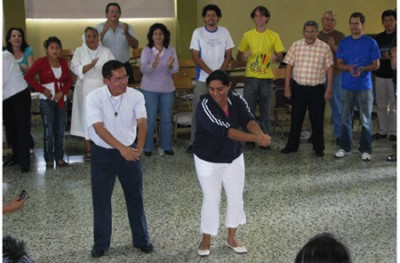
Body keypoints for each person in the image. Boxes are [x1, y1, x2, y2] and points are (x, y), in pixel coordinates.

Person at [194, 70, 271, 257]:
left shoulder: (237, 99)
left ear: (229, 86)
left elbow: (248, 119)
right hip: (208, 159)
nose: (215, 93)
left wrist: (259, 133)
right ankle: (206, 239)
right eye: (211, 89)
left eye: (220, 89)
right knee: (211, 199)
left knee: (236, 197)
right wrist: (255, 139)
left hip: (234, 157)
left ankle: (231, 237)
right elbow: (225, 131)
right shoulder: (204, 104)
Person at [86, 60, 153, 258]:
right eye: (118, 79)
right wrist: (122, 148)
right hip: (103, 154)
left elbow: (142, 123)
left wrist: (138, 149)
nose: (124, 82)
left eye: (125, 77)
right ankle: (101, 243)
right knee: (101, 200)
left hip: (130, 152)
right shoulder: (94, 97)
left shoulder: (136, 96)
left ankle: (142, 239)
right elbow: (98, 128)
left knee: (135, 197)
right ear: (106, 80)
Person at [280, 20, 334, 157]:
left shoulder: (324, 47)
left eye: (312, 31)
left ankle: (318, 148)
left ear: (317, 32)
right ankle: (292, 145)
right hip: (299, 88)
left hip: (317, 89)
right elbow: (289, 67)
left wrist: (329, 89)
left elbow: (330, 69)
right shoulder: (296, 45)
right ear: (303, 32)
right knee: (296, 118)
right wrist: (287, 86)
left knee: (317, 119)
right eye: (307, 31)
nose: (309, 34)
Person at [187, 4, 235, 153]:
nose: (210, 18)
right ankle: (194, 142)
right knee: (198, 111)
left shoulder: (224, 32)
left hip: (221, 80)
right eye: (208, 15)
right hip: (203, 79)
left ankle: (223, 140)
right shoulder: (198, 32)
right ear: (204, 18)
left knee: (223, 111)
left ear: (218, 17)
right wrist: (211, 73)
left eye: (213, 15)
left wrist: (220, 73)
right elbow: (195, 57)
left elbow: (229, 55)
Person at [335, 12, 381, 161]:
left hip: (364, 86)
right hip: (347, 86)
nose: (354, 26)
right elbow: (338, 64)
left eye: (357, 23)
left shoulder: (370, 42)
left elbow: (376, 64)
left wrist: (363, 69)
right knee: (345, 118)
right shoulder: (344, 42)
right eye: (351, 23)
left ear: (363, 25)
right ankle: (345, 147)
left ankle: (366, 149)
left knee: (365, 119)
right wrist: (348, 68)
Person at [237, 5, 284, 144]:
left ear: (267, 18)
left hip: (267, 79)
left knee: (265, 112)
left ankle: (265, 140)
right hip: (251, 78)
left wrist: (276, 56)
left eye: (262, 15)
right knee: (249, 111)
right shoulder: (247, 35)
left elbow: (281, 56)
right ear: (253, 18)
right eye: (256, 15)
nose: (259, 18)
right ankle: (250, 140)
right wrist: (243, 55)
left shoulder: (274, 35)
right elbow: (238, 56)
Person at [24, 36, 73, 168]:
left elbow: (69, 80)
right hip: (46, 100)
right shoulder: (41, 62)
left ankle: (60, 157)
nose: (55, 50)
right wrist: (42, 89)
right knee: (49, 130)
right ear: (47, 49)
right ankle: (49, 159)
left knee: (60, 130)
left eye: (57, 48)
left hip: (61, 99)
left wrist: (62, 91)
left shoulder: (63, 62)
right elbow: (28, 76)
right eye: (52, 48)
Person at [70, 27, 115, 161]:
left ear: (98, 37)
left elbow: (114, 66)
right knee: (87, 117)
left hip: (102, 87)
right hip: (85, 88)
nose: (92, 39)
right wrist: (90, 65)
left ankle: (104, 145)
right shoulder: (79, 51)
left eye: (94, 36)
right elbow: (75, 68)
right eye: (89, 36)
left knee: (104, 117)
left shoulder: (105, 51)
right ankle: (88, 147)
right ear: (85, 38)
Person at [139, 23, 179, 156]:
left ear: (165, 36)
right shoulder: (147, 51)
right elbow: (143, 69)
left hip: (167, 89)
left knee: (166, 119)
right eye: (155, 34)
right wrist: (153, 64)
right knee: (150, 120)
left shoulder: (171, 50)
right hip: (149, 89)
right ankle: (148, 147)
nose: (158, 36)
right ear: (151, 36)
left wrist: (169, 66)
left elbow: (176, 69)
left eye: (160, 34)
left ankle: (166, 146)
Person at [5, 27, 36, 151]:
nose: (17, 38)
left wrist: (25, 69)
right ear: (9, 39)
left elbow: (32, 72)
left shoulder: (28, 51)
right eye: (14, 36)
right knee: (11, 122)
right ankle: (15, 149)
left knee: (23, 120)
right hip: (7, 91)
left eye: (19, 35)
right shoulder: (5, 54)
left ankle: (26, 144)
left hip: (23, 88)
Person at [318, 11, 346, 145]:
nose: (329, 22)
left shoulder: (340, 36)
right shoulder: (316, 35)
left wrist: (333, 46)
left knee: (337, 106)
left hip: (335, 76)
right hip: (317, 76)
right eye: (327, 19)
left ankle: (339, 135)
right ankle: (316, 135)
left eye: (332, 20)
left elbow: (345, 56)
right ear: (322, 20)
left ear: (335, 22)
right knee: (316, 107)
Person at [3, 50, 32, 173]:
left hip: (19, 95)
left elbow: (2, 79)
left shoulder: (5, 56)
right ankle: (16, 157)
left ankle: (25, 162)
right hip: (6, 98)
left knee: (21, 128)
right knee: (11, 128)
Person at [96, 2, 138, 84]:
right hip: (106, 67)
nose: (114, 14)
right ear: (106, 14)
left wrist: (126, 33)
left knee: (127, 92)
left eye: (116, 11)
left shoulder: (127, 27)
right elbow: (93, 45)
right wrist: (104, 31)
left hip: (124, 65)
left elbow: (135, 45)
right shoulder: (98, 27)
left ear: (120, 14)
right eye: (111, 11)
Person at [373, 10, 397, 141]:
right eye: (385, 21)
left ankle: (394, 132)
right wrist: (382, 57)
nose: (388, 23)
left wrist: (393, 56)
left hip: (395, 76)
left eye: (391, 20)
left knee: (394, 106)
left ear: (396, 21)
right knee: (381, 105)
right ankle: (382, 131)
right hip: (381, 75)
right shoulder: (378, 38)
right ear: (382, 22)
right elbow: (374, 55)